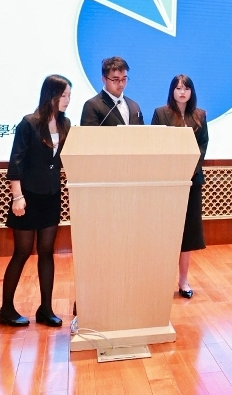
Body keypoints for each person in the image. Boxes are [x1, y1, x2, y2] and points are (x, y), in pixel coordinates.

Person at [0, 74, 71, 328]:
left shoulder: (65, 123)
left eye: (69, 96)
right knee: (22, 252)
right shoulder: (28, 124)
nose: (67, 100)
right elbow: (15, 163)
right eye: (63, 95)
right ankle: (6, 309)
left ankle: (46, 309)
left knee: (47, 253)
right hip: (27, 196)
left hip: (51, 195)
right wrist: (17, 197)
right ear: (51, 95)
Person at [150, 75, 208, 298]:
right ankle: (161, 279)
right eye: (178, 88)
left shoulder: (200, 115)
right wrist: (173, 168)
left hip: (192, 180)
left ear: (192, 92)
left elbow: (203, 145)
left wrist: (190, 167)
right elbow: (156, 144)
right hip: (167, 182)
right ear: (172, 91)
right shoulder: (161, 113)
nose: (182, 92)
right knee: (166, 232)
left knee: (188, 233)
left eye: (186, 88)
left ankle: (183, 280)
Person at [79, 56, 144, 126]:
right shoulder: (92, 106)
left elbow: (142, 132)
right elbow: (88, 132)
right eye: (116, 80)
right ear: (104, 79)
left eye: (124, 79)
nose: (121, 84)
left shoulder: (134, 106)